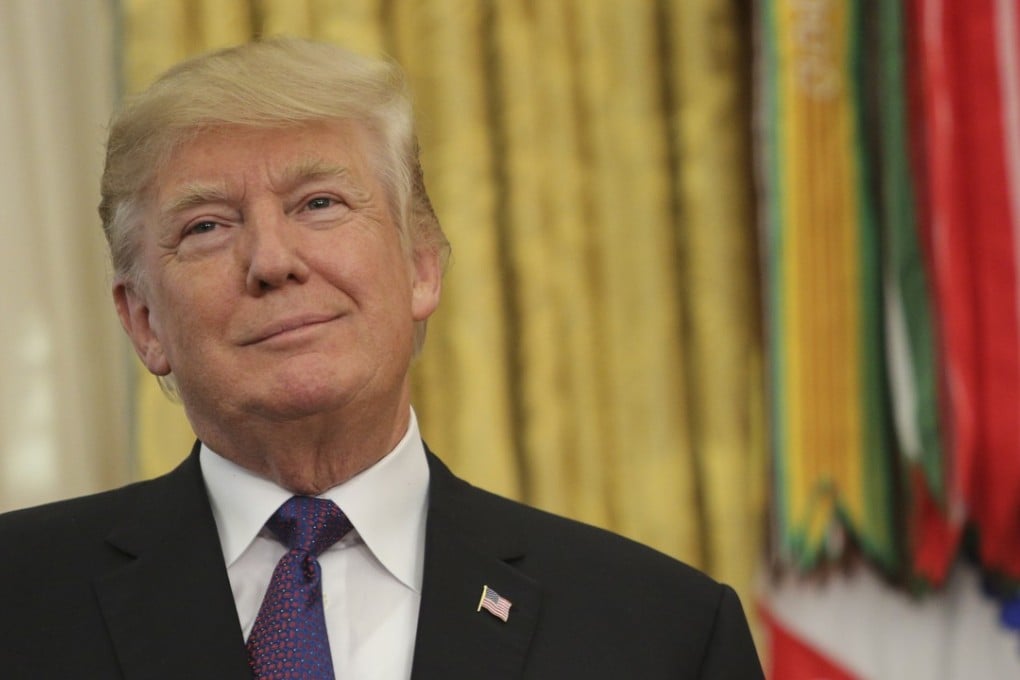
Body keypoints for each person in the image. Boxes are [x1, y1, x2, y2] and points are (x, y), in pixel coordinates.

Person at [0, 38, 763, 679]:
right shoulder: (19, 601)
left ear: (422, 265)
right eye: (206, 226)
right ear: (142, 322)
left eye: (319, 204)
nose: (272, 260)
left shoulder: (662, 633)